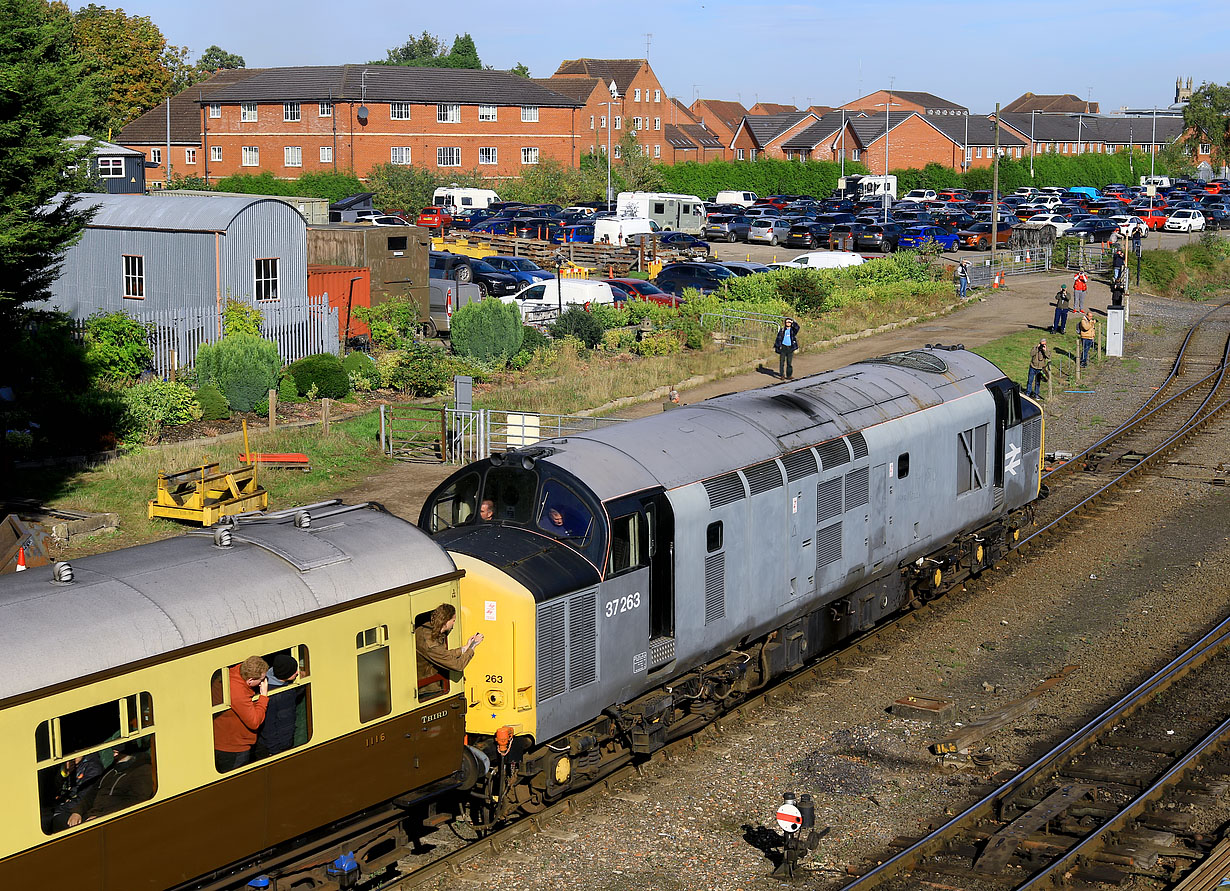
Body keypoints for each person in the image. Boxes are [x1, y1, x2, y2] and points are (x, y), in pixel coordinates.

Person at [212, 655, 269, 772]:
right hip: (233, 748)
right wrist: (263, 696)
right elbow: (254, 722)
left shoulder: (235, 671)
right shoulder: (238, 692)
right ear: (250, 681)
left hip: (222, 739)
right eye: (261, 680)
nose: (263, 682)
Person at [415, 603, 482, 696]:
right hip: (428, 688)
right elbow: (457, 665)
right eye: (453, 620)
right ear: (446, 621)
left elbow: (443, 654)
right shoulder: (431, 644)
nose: (454, 624)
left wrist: (464, 648)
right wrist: (473, 647)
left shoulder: (423, 629)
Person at [84, 743, 154, 820]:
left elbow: (137, 800)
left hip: (114, 818)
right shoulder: (111, 769)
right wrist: (77, 812)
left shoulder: (142, 770)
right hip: (94, 813)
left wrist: (102, 816)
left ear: (127, 752)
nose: (114, 756)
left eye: (117, 753)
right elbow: (93, 792)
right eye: (113, 752)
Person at [254, 653, 301, 759]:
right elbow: (268, 727)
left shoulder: (277, 682)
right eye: (294, 671)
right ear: (285, 675)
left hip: (284, 740)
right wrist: (274, 752)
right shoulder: (275, 695)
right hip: (275, 747)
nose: (297, 673)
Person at [46, 752, 104, 831]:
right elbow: (52, 790)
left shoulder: (93, 767)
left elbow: (86, 796)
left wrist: (61, 809)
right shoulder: (67, 765)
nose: (73, 757)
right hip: (61, 804)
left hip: (74, 808)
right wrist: (64, 774)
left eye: (76, 753)